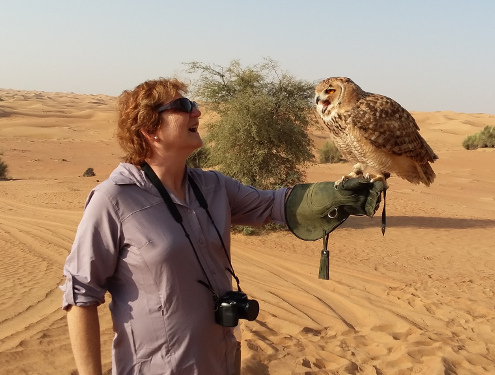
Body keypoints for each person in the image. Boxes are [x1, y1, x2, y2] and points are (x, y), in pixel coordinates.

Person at [61, 78, 383, 375]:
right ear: (150, 128)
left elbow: (274, 204)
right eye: (184, 106)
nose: (197, 111)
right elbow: (80, 297)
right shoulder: (114, 200)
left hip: (222, 364)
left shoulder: (212, 186)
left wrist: (335, 196)